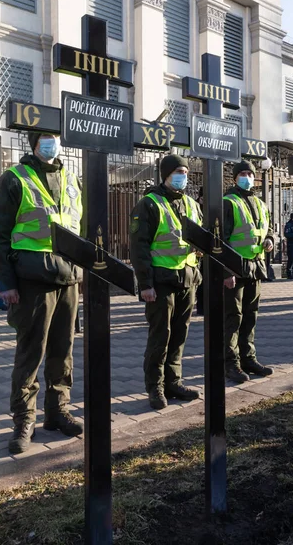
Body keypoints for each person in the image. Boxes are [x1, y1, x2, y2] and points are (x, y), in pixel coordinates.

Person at [0, 133, 84, 454]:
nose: (52, 144)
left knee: (63, 349)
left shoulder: (71, 178)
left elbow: (78, 228)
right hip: (32, 280)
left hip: (69, 279)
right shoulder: (14, 179)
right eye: (46, 138)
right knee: (31, 350)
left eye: (55, 138)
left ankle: (58, 411)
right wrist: (5, 284)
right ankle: (23, 419)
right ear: (34, 142)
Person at [129, 154, 202, 410]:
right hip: (160, 282)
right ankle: (156, 387)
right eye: (178, 171)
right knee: (160, 336)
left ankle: (173, 382)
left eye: (185, 171)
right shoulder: (149, 203)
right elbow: (139, 248)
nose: (183, 176)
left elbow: (198, 237)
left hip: (188, 279)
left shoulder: (192, 204)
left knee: (179, 336)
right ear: (166, 174)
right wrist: (145, 284)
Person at [223, 160, 274, 383]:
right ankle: (230, 363)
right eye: (242, 174)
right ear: (234, 178)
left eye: (250, 174)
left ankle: (248, 358)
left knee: (250, 316)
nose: (247, 177)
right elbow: (221, 240)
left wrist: (270, 239)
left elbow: (268, 228)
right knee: (233, 318)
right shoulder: (228, 202)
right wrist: (226, 271)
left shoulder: (260, 203)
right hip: (236, 268)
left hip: (256, 266)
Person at [195, 187, 204, 316]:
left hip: (211, 250)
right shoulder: (195, 206)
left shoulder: (216, 205)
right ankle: (201, 307)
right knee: (201, 281)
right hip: (197, 253)